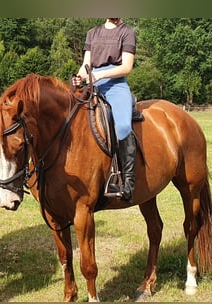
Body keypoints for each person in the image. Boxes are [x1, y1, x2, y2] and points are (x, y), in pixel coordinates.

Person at [73, 18, 136, 202]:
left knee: (123, 126)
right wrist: (79, 77)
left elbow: (127, 67)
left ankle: (128, 183)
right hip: (93, 84)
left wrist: (100, 74)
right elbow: (86, 64)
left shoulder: (127, 31)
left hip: (116, 85)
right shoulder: (93, 32)